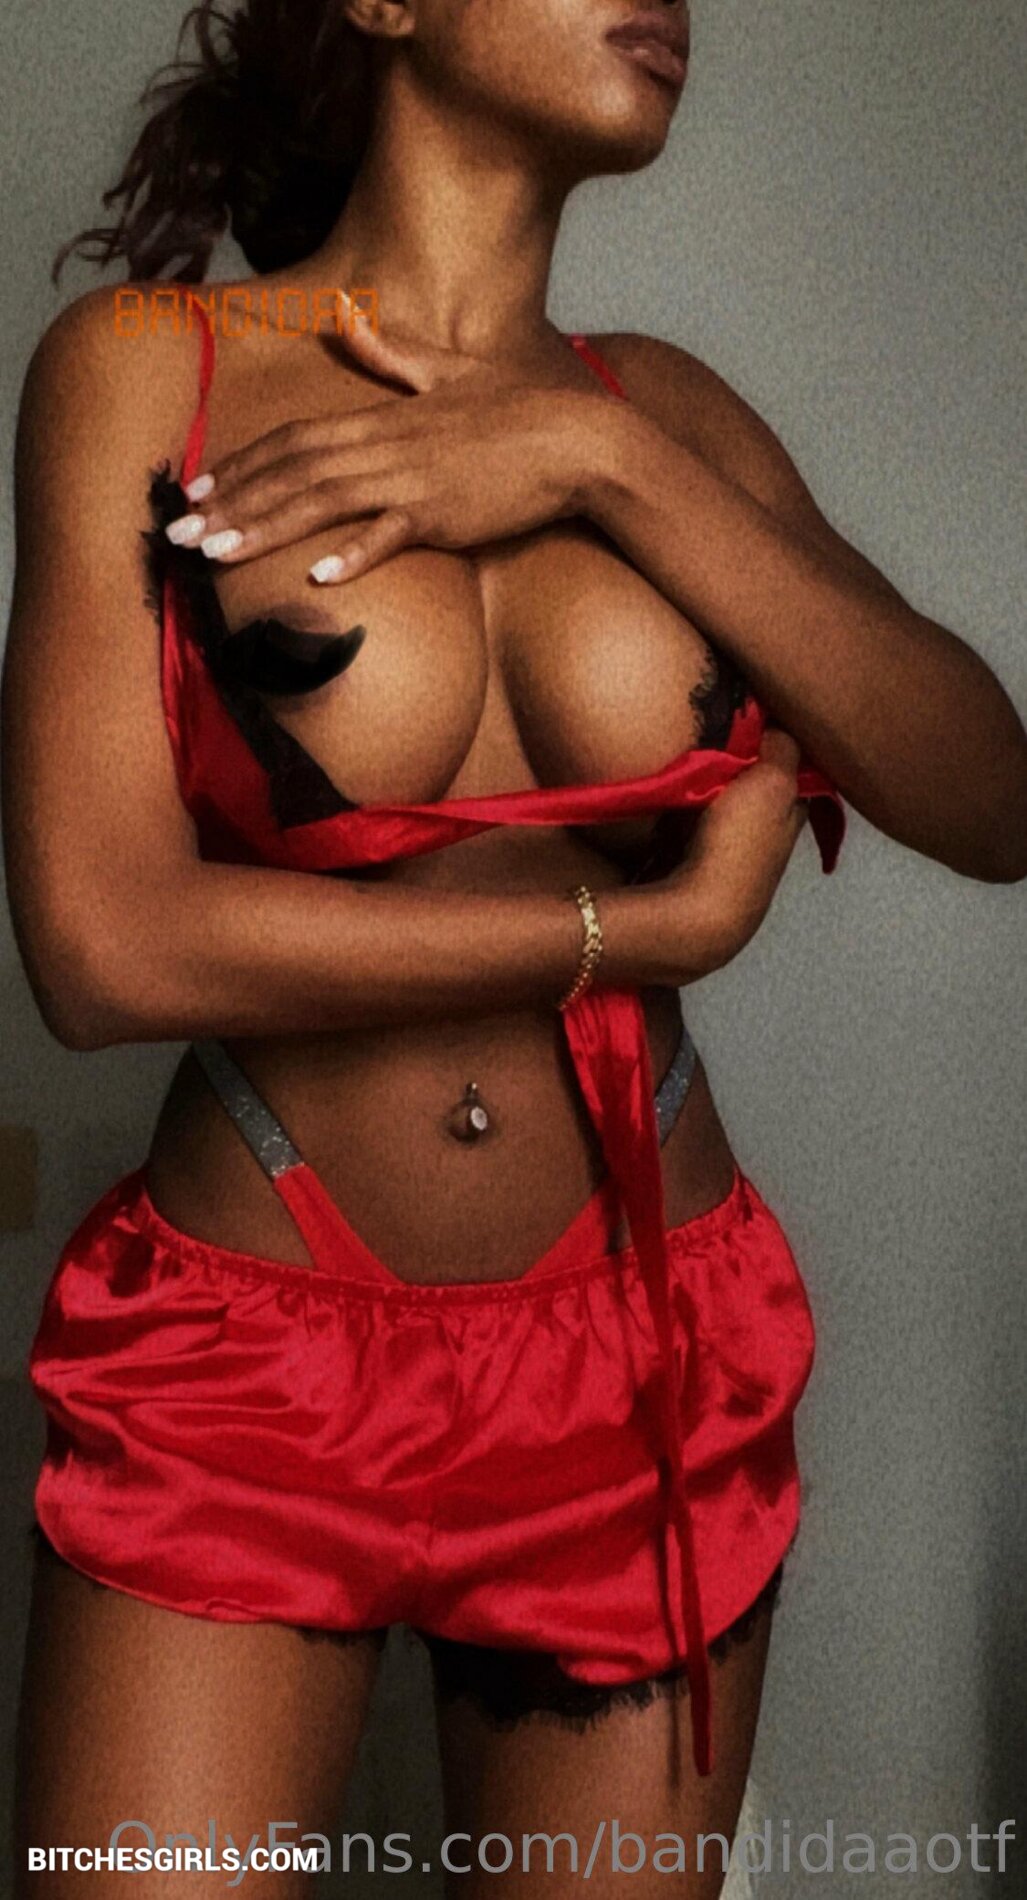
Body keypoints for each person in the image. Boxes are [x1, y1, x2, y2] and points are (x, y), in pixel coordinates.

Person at [4, 1, 1025, 1893]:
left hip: (640, 1359)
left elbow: (988, 794)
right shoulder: (153, 367)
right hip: (253, 1353)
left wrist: (593, 459)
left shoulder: (663, 417)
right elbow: (100, 945)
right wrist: (645, 930)